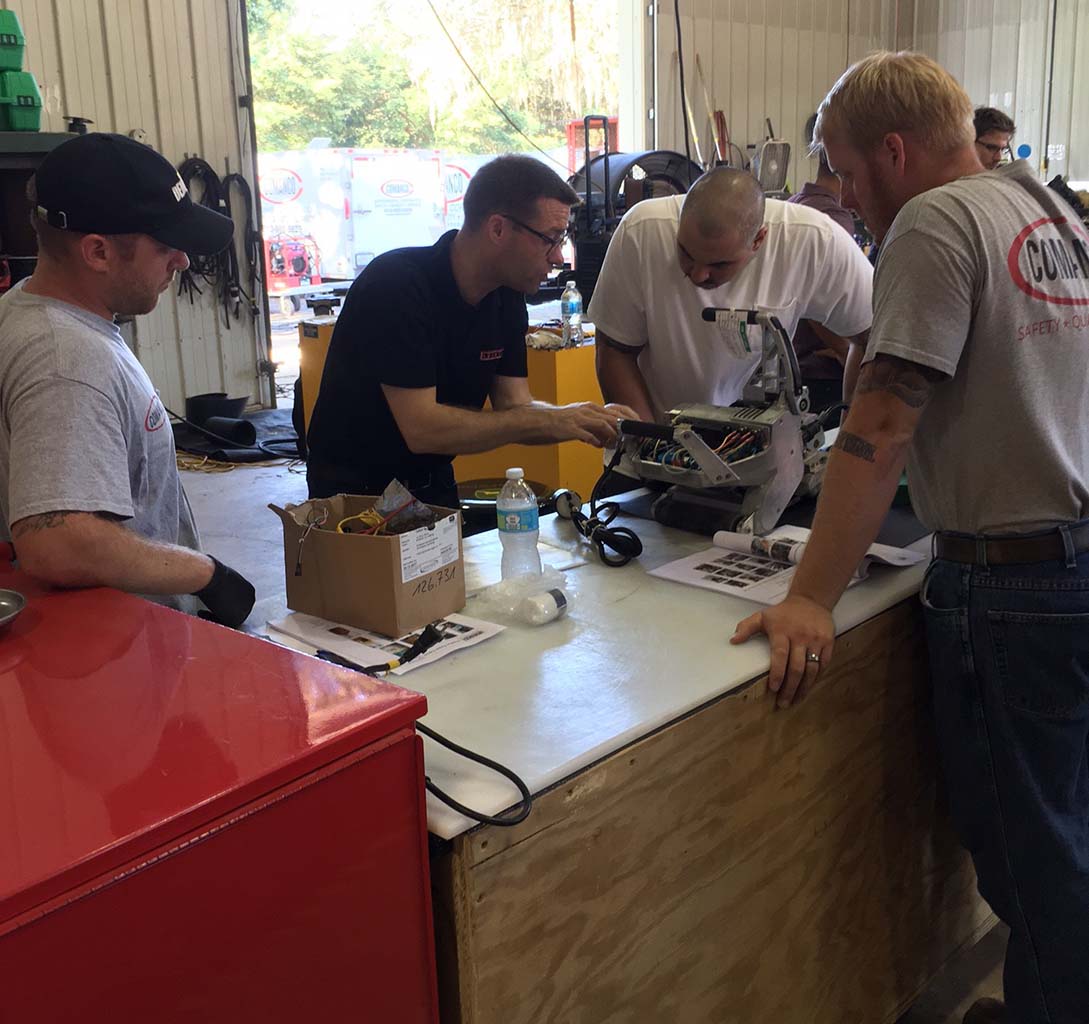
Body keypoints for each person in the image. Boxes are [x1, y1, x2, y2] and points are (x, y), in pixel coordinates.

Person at [732, 52, 1089, 1024]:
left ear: (893, 151)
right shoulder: (1046, 210)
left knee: (1033, 860)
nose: (845, 196)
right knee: (1065, 830)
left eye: (846, 171)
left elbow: (883, 427)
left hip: (1012, 588)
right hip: (1070, 559)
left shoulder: (932, 220)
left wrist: (809, 595)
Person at [0, 133, 256, 627]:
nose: (182, 260)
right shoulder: (68, 359)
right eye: (164, 246)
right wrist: (205, 574)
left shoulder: (23, 311)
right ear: (98, 252)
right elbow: (56, 542)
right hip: (121, 644)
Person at [305, 155, 635, 508]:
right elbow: (422, 430)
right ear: (497, 229)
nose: (558, 258)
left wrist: (582, 419)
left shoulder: (506, 296)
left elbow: (515, 405)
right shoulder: (396, 286)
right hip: (354, 493)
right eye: (550, 239)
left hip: (432, 481)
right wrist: (557, 419)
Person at [589, 167, 873, 424]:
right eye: (686, 253)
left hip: (741, 434)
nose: (698, 275)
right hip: (654, 423)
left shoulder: (814, 241)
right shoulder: (641, 231)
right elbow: (614, 350)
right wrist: (648, 443)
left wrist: (853, 436)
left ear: (759, 240)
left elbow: (874, 340)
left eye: (718, 265)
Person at [788, 113, 860, 411]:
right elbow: (814, 297)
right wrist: (845, 350)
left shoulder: (796, 204)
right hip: (821, 371)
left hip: (797, 362)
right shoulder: (833, 218)